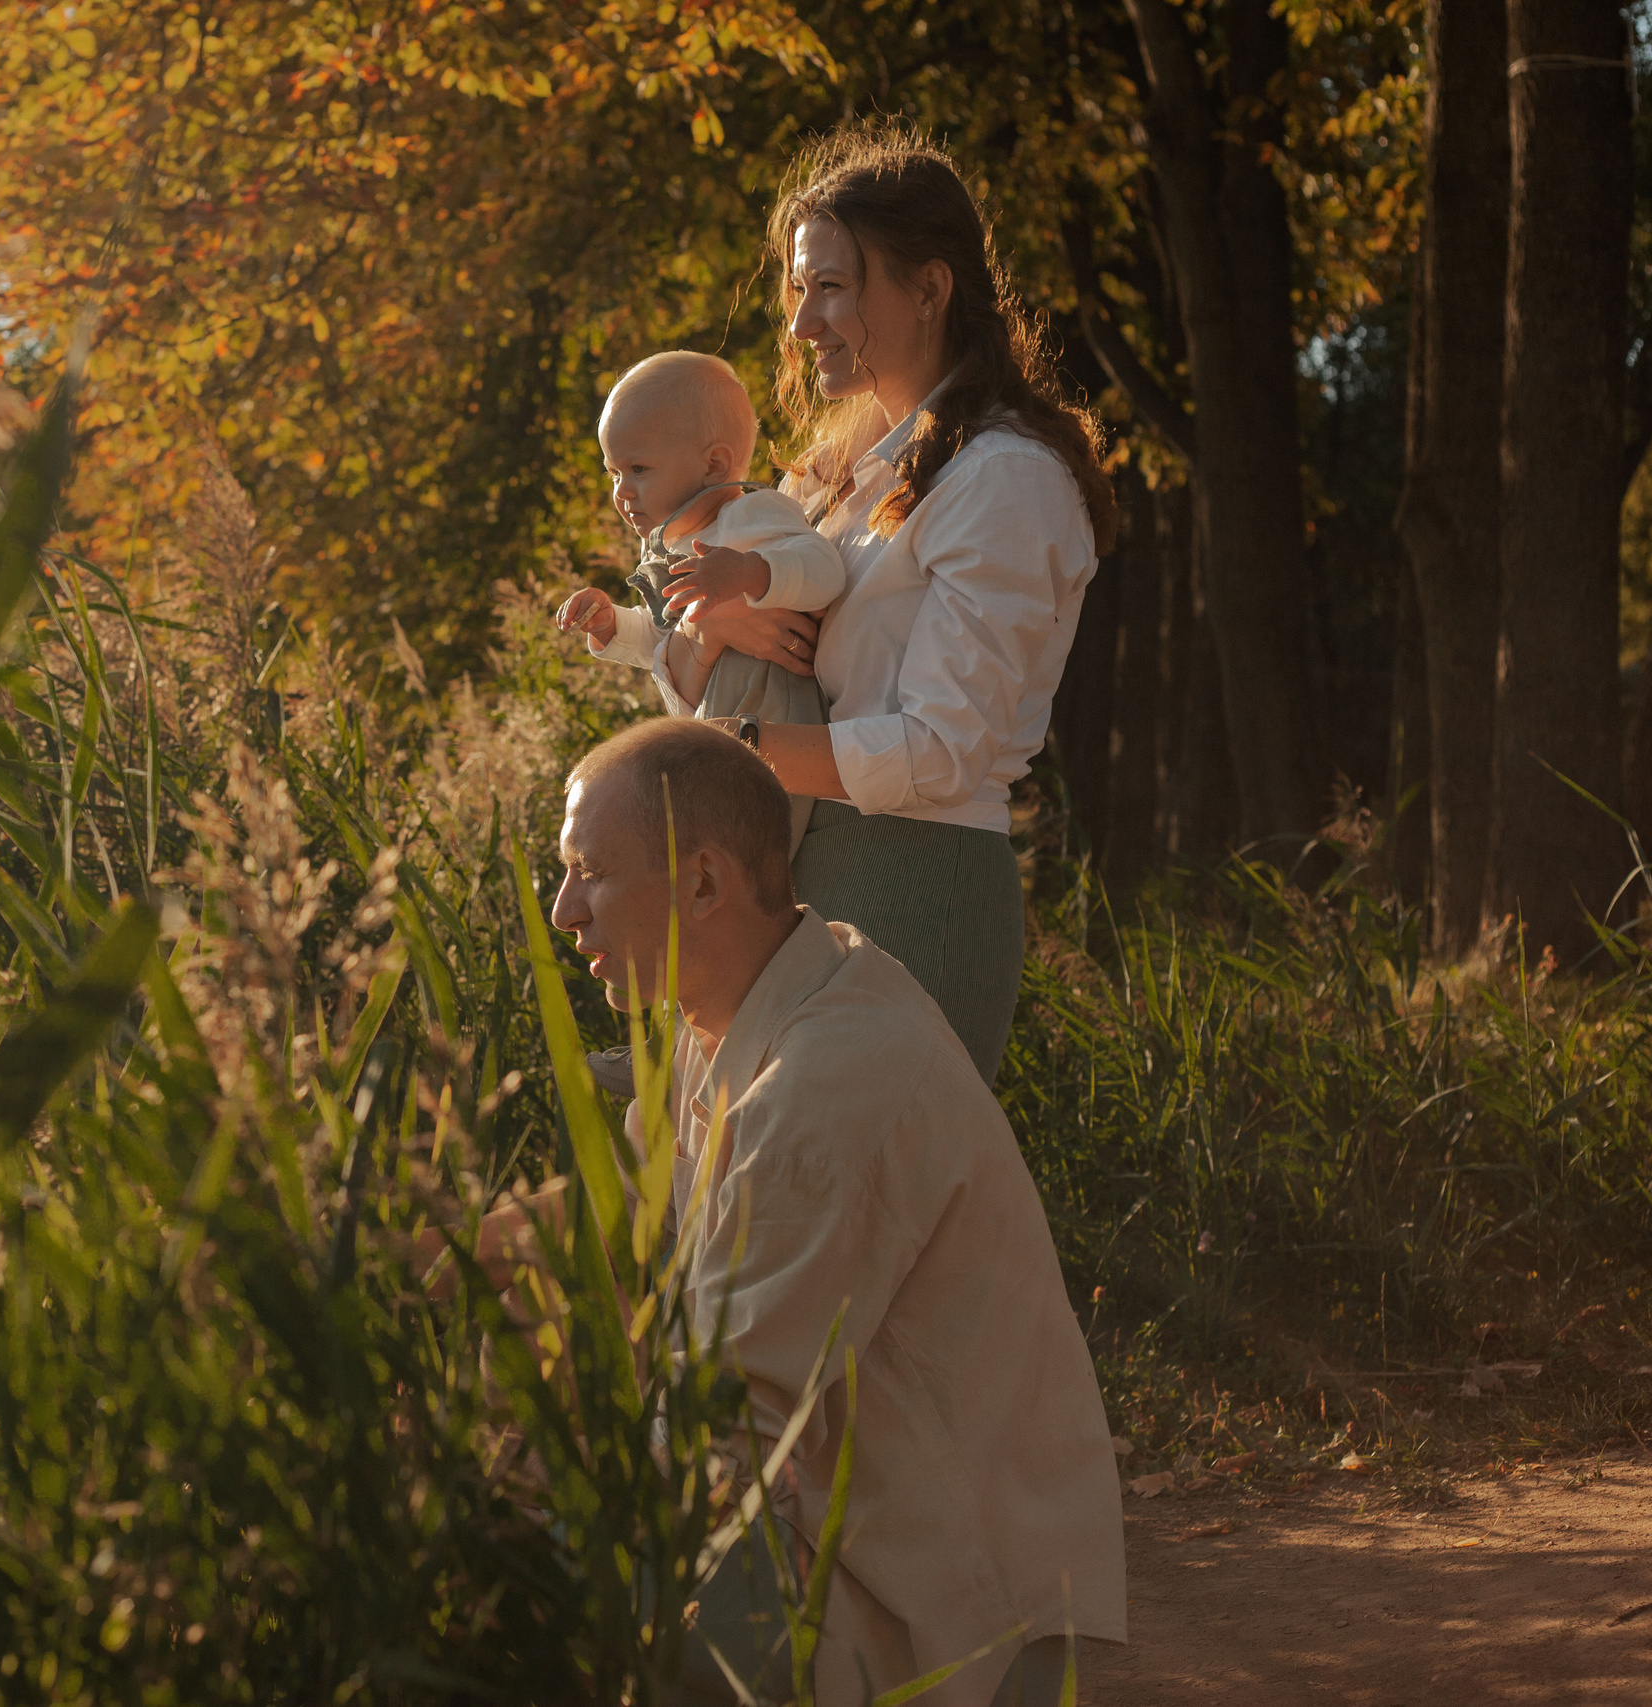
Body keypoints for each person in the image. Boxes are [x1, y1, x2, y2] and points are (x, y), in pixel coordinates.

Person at [547, 717, 1126, 1707]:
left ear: (702, 883)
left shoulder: (831, 1076)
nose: (563, 911)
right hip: (852, 1534)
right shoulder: (728, 1017)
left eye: (590, 873)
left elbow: (722, 1417)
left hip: (959, 1622)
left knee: (546, 1591)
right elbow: (611, 1234)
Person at [645, 127, 1119, 1093]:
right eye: (797, 290)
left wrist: (737, 747)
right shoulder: (841, 487)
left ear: (930, 289)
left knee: (855, 1220)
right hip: (807, 889)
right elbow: (752, 679)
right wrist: (707, 631)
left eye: (830, 287)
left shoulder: (1005, 481)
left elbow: (942, 751)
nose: (799, 324)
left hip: (916, 886)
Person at [553, 350, 844, 850]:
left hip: (780, 736)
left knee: (738, 851)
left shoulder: (750, 516)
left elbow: (825, 571)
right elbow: (664, 641)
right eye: (613, 473)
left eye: (638, 468)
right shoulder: (670, 548)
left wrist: (751, 573)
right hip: (725, 739)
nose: (622, 493)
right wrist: (613, 626)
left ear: (714, 464)